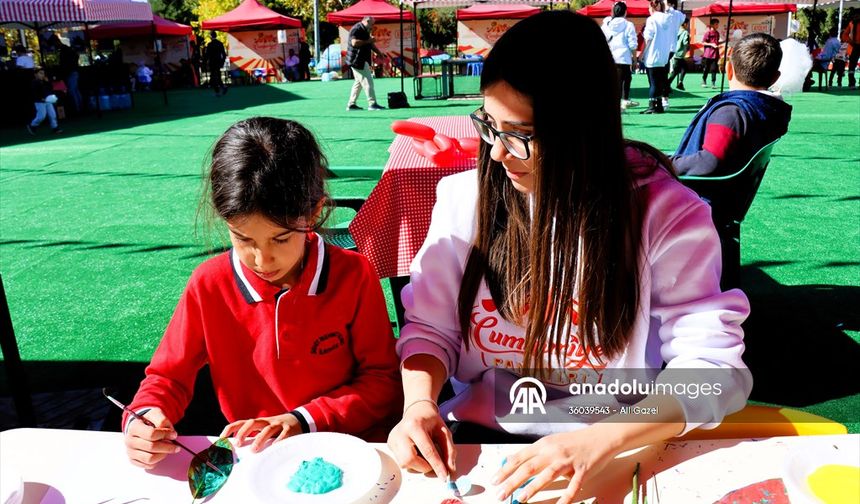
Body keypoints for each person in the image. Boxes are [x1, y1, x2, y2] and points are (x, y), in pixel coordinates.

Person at [386, 11, 751, 504]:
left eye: (520, 134)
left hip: (614, 443)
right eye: (489, 125)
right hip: (480, 443)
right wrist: (418, 404)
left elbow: (715, 374)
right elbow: (430, 329)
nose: (496, 153)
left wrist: (601, 440)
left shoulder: (664, 215)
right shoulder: (464, 198)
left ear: (585, 129)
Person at [122, 117, 401, 469]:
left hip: (351, 454)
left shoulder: (354, 275)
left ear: (315, 211)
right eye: (243, 239)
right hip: (257, 460)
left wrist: (302, 420)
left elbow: (382, 381)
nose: (262, 259)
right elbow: (167, 377)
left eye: (281, 238)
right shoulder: (209, 284)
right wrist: (143, 419)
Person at [673, 33, 792, 176]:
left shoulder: (731, 112)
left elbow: (709, 162)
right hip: (728, 195)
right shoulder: (768, 110)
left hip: (692, 194)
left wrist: (664, 163)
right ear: (775, 78)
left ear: (729, 70)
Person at [602, 1, 639, 110]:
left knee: (613, 82)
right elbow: (633, 44)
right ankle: (623, 102)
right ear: (625, 12)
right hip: (624, 57)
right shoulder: (628, 25)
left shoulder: (606, 24)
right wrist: (635, 59)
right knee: (626, 80)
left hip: (610, 57)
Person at [640, 0, 675, 113]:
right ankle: (658, 105)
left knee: (653, 82)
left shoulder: (652, 19)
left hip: (652, 54)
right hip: (664, 55)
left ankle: (652, 106)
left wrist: (641, 53)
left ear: (652, 7)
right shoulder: (669, 19)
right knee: (659, 81)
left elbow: (648, 38)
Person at [345, 16, 385, 111]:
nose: (372, 26)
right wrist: (369, 41)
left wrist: (379, 53)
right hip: (357, 60)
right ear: (367, 21)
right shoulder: (356, 29)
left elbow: (370, 44)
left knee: (358, 83)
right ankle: (372, 104)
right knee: (368, 82)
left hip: (360, 60)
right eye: (372, 24)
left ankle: (351, 104)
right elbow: (354, 43)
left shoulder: (365, 29)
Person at [26, 67, 62, 134]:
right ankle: (32, 125)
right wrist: (41, 98)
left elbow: (50, 89)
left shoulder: (45, 81)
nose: (42, 75)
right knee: (41, 116)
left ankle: (55, 128)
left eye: (43, 73)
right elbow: (35, 93)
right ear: (35, 74)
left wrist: (48, 82)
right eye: (40, 73)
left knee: (52, 115)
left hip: (47, 101)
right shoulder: (34, 82)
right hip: (39, 102)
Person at [668, 18, 690, 90]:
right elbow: (685, 43)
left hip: (674, 52)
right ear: (685, 24)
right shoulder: (685, 33)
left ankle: (680, 82)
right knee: (675, 71)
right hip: (680, 54)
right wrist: (688, 47)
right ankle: (667, 84)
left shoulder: (676, 31)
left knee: (683, 68)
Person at [701, 18, 722, 88]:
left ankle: (713, 83)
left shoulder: (717, 33)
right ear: (712, 25)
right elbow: (703, 42)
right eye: (716, 24)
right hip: (707, 55)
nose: (717, 25)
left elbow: (717, 43)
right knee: (706, 68)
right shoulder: (708, 33)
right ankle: (704, 80)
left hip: (715, 55)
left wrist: (725, 41)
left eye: (718, 24)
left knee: (714, 69)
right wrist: (711, 44)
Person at [206, 31, 228, 96]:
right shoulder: (220, 43)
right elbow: (224, 54)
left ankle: (218, 91)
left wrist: (207, 63)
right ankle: (223, 87)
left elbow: (208, 55)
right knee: (218, 76)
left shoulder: (209, 44)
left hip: (212, 62)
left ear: (210, 36)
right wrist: (222, 62)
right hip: (219, 62)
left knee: (213, 77)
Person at [844, 12, 860, 88]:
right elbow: (844, 35)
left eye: (857, 15)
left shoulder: (852, 23)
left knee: (852, 66)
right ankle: (851, 83)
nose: (856, 17)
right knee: (852, 66)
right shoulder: (851, 23)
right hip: (854, 47)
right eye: (855, 15)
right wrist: (850, 41)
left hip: (855, 46)